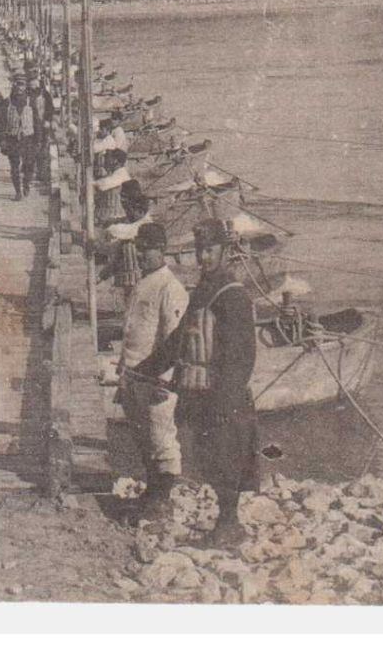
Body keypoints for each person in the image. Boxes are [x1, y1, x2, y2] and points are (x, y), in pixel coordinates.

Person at [136, 220, 258, 548]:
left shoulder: (233, 297)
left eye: (209, 250)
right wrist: (147, 368)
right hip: (197, 393)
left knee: (225, 458)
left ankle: (231, 525)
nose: (203, 257)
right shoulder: (203, 291)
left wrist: (225, 402)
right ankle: (224, 523)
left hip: (221, 396)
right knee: (207, 456)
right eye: (199, 251)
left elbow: (242, 357)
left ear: (224, 251)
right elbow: (179, 341)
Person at [114, 223, 188, 523]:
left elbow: (175, 339)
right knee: (143, 438)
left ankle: (162, 500)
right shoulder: (143, 284)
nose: (143, 255)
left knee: (162, 438)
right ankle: (152, 493)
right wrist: (122, 370)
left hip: (155, 379)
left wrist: (167, 381)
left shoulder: (171, 289)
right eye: (141, 249)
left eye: (149, 249)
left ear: (164, 250)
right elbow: (133, 329)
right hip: (134, 375)